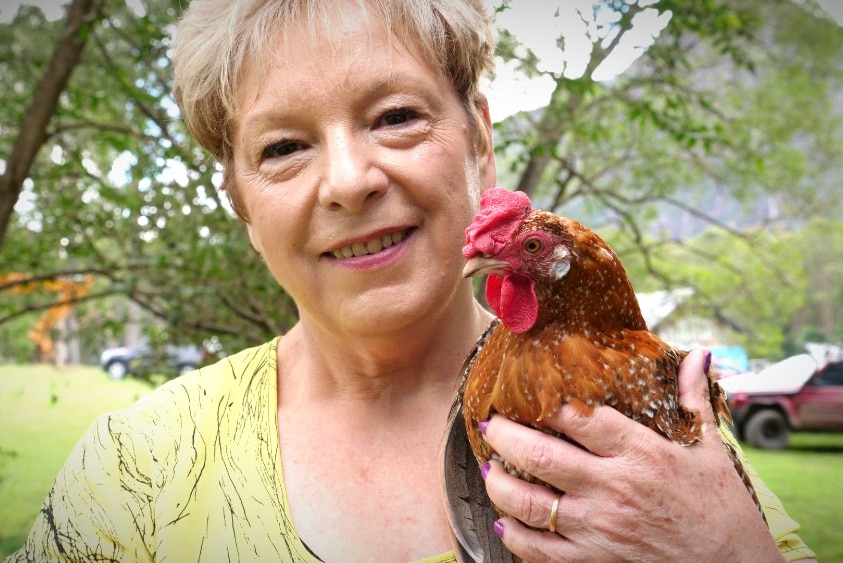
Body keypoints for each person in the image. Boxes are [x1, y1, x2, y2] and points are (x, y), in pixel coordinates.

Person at [7, 1, 816, 562]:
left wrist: (725, 551)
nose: (350, 180)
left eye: (395, 116)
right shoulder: (139, 472)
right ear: (243, 206)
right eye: (284, 146)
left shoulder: (654, 437)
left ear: (479, 141)